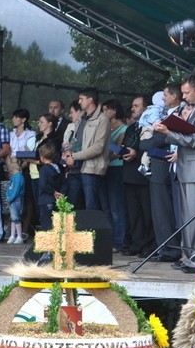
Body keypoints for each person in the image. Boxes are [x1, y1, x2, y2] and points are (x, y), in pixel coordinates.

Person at [155, 75, 195, 272]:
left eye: (187, 93)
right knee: (186, 216)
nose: (184, 97)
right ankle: (190, 257)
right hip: (185, 166)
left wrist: (169, 133)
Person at [140, 84, 184, 263]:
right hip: (159, 169)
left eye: (165, 95)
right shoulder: (165, 115)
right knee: (159, 212)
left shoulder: (177, 115)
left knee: (164, 212)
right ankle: (164, 248)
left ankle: (171, 250)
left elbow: (153, 142)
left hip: (165, 169)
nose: (163, 98)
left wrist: (149, 141)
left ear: (174, 96)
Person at [64, 88, 110, 210]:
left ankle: (91, 230)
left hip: (91, 169)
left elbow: (98, 147)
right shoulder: (81, 118)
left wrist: (74, 156)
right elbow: (75, 140)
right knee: (69, 205)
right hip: (75, 167)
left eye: (81, 99)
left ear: (90, 100)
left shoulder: (102, 119)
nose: (79, 102)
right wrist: (68, 152)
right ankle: (69, 229)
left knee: (91, 207)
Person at [122, 95, 155, 258]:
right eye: (132, 105)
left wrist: (137, 153)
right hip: (129, 174)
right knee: (133, 213)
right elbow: (127, 144)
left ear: (145, 108)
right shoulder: (131, 127)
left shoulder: (149, 126)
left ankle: (149, 245)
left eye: (136, 105)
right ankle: (137, 243)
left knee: (146, 212)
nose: (132, 108)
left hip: (143, 176)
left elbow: (149, 147)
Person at [100, 99, 127, 253]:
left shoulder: (123, 129)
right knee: (106, 207)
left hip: (116, 168)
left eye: (106, 110)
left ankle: (118, 241)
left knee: (116, 207)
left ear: (114, 111)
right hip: (104, 168)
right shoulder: (106, 128)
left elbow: (118, 151)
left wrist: (104, 155)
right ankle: (107, 240)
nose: (104, 113)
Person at [61, 100, 84, 208]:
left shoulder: (86, 126)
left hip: (83, 167)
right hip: (70, 169)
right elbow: (65, 143)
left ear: (80, 111)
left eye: (72, 112)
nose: (70, 115)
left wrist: (70, 149)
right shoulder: (70, 126)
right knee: (69, 199)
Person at [37, 144, 63, 232]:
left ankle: (48, 244)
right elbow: (63, 182)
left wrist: (53, 191)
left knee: (46, 224)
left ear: (42, 156)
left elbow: (43, 185)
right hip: (55, 200)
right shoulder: (58, 168)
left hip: (45, 199)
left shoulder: (43, 169)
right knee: (55, 224)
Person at [5, 157, 26, 244]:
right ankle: (13, 235)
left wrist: (10, 198)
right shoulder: (14, 177)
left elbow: (16, 190)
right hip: (12, 199)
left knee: (16, 218)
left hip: (16, 199)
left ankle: (19, 236)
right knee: (13, 218)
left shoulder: (18, 177)